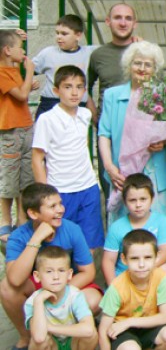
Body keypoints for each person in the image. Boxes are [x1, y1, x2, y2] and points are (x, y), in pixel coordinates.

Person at [0, 183, 102, 350]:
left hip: (68, 282)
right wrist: (36, 239)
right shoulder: (18, 236)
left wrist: (61, 290)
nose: (60, 209)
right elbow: (15, 279)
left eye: (60, 204)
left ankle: (70, 330)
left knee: (94, 300)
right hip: (38, 284)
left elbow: (88, 271)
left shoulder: (72, 229)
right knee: (6, 288)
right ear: (33, 213)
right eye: (52, 206)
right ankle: (27, 337)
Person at [98, 41, 166, 241]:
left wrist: (165, 140)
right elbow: (104, 134)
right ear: (129, 66)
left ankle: (161, 270)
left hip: (156, 171)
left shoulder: (164, 96)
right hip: (122, 172)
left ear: (155, 69)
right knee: (124, 229)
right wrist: (109, 166)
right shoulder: (112, 95)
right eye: (137, 63)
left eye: (148, 64)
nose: (142, 69)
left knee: (158, 229)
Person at [31, 65, 104, 253]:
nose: (74, 92)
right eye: (68, 86)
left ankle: (83, 282)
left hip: (88, 187)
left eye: (79, 87)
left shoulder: (85, 114)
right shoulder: (47, 119)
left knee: (91, 246)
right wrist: (45, 195)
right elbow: (37, 158)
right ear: (56, 90)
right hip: (60, 190)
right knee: (58, 245)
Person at [88, 2, 138, 204]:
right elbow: (85, 86)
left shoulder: (142, 52)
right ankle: (114, 231)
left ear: (135, 23)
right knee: (111, 181)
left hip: (138, 131)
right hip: (109, 132)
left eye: (128, 18)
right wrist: (95, 116)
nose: (123, 22)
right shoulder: (99, 55)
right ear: (108, 22)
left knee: (138, 187)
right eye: (118, 17)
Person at [98, 229, 166, 350]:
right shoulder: (117, 286)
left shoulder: (162, 278)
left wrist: (130, 321)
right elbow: (103, 330)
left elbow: (165, 316)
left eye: (147, 257)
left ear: (156, 257)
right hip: (122, 330)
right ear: (124, 259)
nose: (141, 264)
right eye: (134, 258)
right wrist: (126, 324)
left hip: (147, 324)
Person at [102, 173, 166, 286]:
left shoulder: (162, 221)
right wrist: (113, 287)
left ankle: (158, 303)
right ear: (125, 201)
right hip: (124, 275)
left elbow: (165, 252)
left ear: (151, 199)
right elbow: (108, 261)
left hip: (150, 271)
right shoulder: (117, 227)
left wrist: (142, 270)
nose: (138, 205)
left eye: (143, 199)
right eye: (132, 200)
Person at [24, 246, 98, 350]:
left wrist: (50, 328)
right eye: (49, 271)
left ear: (69, 274)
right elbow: (39, 338)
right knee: (39, 341)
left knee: (92, 335)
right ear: (37, 276)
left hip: (73, 342)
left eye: (61, 270)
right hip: (52, 344)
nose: (56, 277)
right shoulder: (33, 301)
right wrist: (39, 301)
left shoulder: (75, 295)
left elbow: (89, 329)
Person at [0, 30, 35, 243]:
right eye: (19, 47)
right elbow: (21, 95)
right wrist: (29, 72)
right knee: (8, 180)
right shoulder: (2, 73)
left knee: (25, 179)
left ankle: (22, 220)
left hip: (25, 127)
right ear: (7, 50)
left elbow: (21, 93)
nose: (23, 52)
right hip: (9, 132)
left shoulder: (13, 69)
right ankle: (5, 222)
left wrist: (18, 36)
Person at [32, 14, 98, 118]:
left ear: (78, 35)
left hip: (77, 105)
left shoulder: (89, 53)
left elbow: (114, 50)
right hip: (51, 103)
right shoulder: (48, 53)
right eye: (57, 33)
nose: (59, 37)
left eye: (64, 33)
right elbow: (24, 71)